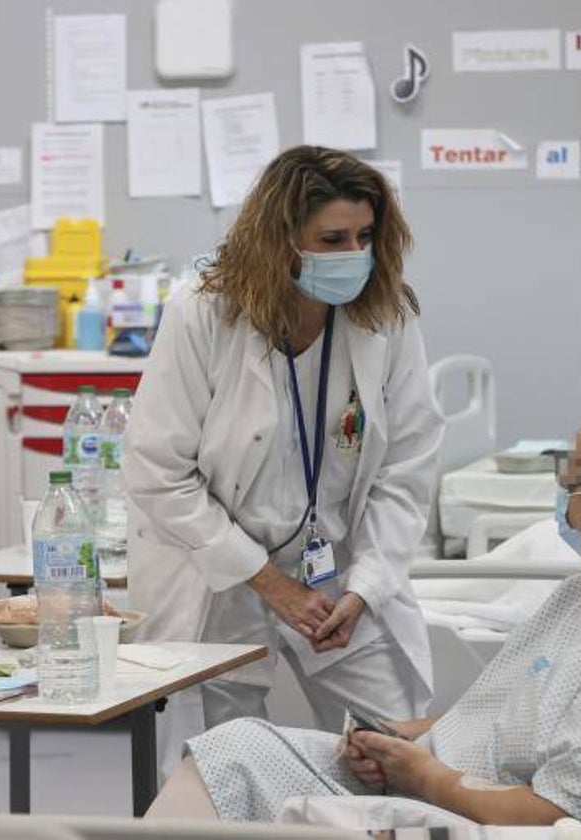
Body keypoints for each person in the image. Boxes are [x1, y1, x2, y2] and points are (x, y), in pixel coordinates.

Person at [145, 396, 581, 826]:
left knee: (238, 758)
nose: (563, 480)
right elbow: (505, 713)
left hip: (471, 818)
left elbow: (561, 813)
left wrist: (420, 773)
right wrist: (397, 738)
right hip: (429, 781)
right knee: (237, 746)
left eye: (577, 470)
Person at [124, 146, 443, 768]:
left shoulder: (384, 315)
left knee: (396, 750)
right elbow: (159, 473)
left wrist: (368, 588)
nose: (353, 253)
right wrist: (268, 583)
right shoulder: (204, 314)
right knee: (224, 763)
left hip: (340, 572)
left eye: (365, 235)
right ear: (280, 241)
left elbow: (406, 470)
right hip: (222, 575)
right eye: (331, 238)